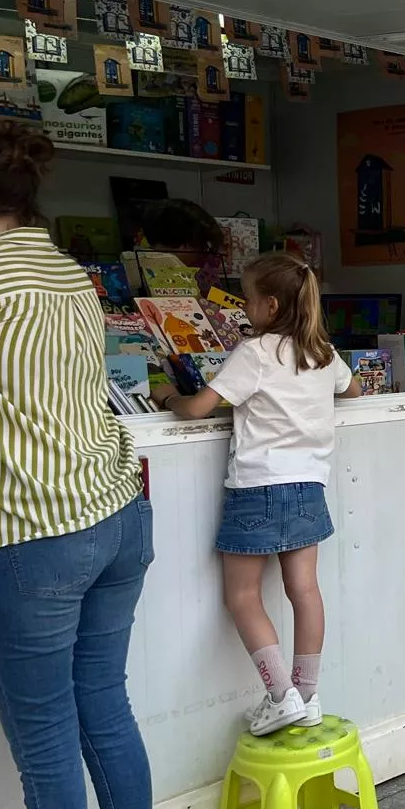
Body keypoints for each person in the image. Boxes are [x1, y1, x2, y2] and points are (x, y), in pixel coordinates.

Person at [0, 122, 154, 809]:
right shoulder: (69, 272)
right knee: (104, 706)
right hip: (117, 515)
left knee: (46, 746)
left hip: (29, 534)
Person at [153, 253, 363, 734]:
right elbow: (353, 392)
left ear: (270, 305)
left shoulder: (254, 354)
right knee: (305, 591)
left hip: (257, 488)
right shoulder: (323, 353)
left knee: (242, 595)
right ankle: (306, 697)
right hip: (310, 486)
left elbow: (198, 409)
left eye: (246, 299)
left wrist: (166, 395)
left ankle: (280, 695)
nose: (243, 308)